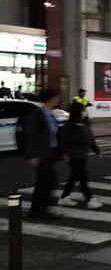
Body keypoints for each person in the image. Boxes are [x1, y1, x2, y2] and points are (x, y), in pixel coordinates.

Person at [24, 89, 61, 218]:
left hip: (50, 153)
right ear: (50, 99)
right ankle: (38, 209)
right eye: (56, 97)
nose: (58, 100)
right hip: (41, 154)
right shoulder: (37, 115)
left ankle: (41, 208)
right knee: (45, 181)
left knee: (49, 180)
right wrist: (32, 155)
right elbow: (31, 137)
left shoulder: (51, 114)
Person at [57, 101, 102, 209]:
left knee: (74, 177)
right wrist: (62, 153)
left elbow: (90, 140)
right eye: (83, 110)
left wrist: (97, 150)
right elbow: (63, 141)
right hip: (75, 156)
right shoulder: (69, 127)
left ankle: (64, 197)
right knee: (82, 177)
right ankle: (89, 199)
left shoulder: (82, 125)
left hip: (81, 155)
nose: (84, 113)